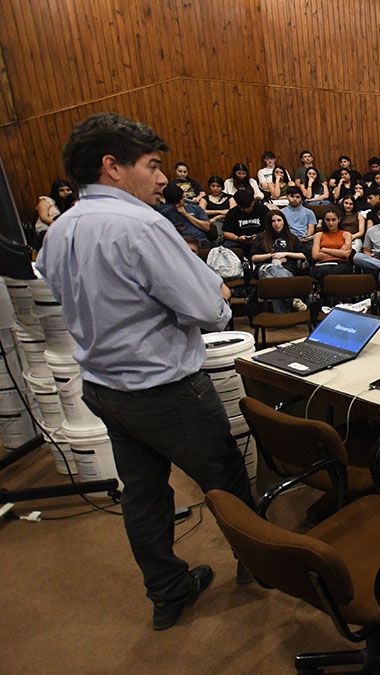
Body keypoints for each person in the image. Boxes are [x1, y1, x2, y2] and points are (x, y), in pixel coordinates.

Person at [37, 112, 252, 630]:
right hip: (168, 391)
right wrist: (217, 297)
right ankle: (265, 573)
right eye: (153, 166)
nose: (164, 179)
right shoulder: (141, 223)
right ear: (112, 167)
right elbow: (207, 308)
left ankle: (166, 591)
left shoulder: (61, 227)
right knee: (226, 483)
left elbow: (54, 285)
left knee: (144, 494)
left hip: (105, 389)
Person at [250, 212, 308, 311]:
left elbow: (304, 255)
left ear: (284, 221)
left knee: (275, 282)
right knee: (273, 269)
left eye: (279, 220)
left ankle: (282, 316)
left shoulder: (290, 237)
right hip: (265, 269)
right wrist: (271, 256)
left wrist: (286, 254)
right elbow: (253, 258)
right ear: (269, 223)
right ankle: (293, 298)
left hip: (286, 270)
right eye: (273, 221)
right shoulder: (261, 237)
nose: (276, 224)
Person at [222, 189, 272, 255]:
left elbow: (271, 227)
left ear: (253, 202)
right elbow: (226, 232)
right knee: (227, 246)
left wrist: (259, 236)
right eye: (242, 208)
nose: (246, 210)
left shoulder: (263, 209)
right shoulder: (232, 213)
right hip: (239, 241)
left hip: (261, 240)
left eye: (248, 207)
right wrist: (237, 238)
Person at [310, 210, 353, 280]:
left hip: (341, 263)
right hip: (322, 264)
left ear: (339, 220)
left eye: (333, 220)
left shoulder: (346, 234)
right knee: (325, 271)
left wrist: (324, 250)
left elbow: (346, 254)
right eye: (327, 220)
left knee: (337, 271)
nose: (331, 223)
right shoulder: (318, 235)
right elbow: (315, 256)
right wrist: (339, 252)